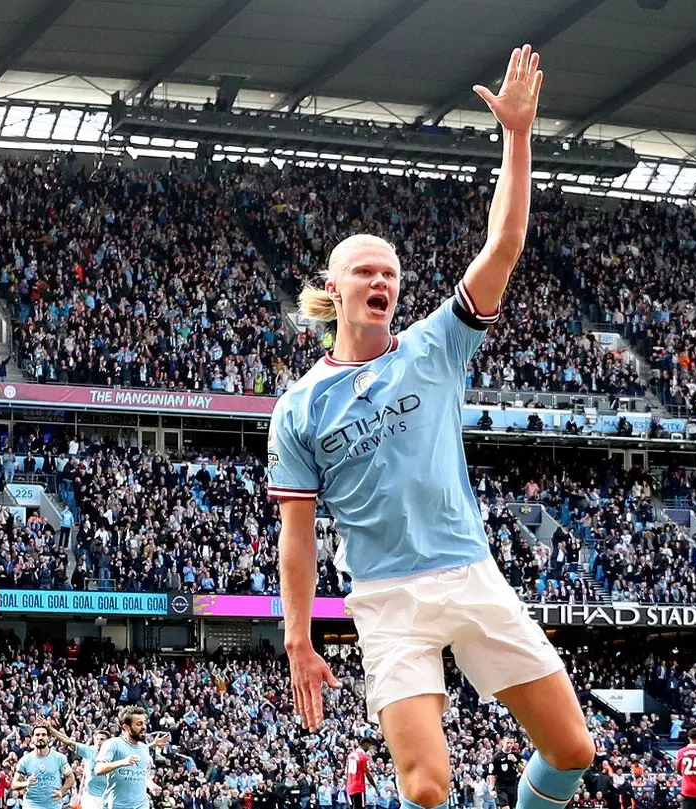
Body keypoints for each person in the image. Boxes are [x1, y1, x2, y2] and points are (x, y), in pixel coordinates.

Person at [271, 44, 594, 809]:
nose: (381, 280)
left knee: (573, 750)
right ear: (334, 288)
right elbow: (296, 533)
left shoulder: (434, 344)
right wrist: (299, 636)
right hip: (386, 598)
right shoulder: (300, 406)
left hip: (469, 573)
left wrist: (517, 137)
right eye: (365, 271)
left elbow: (504, 244)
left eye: (389, 272)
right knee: (424, 788)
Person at [95, 707, 169, 809]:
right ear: (126, 727)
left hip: (142, 805)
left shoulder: (144, 748)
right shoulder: (112, 744)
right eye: (139, 724)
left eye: (144, 723)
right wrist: (122, 762)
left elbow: (139, 773)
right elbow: (98, 769)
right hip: (117, 805)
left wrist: (150, 784)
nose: (144, 727)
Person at [38, 720, 110, 809]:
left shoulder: (112, 754)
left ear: (107, 742)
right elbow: (67, 741)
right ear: (94, 740)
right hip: (91, 797)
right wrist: (50, 728)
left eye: (102, 739)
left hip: (107, 795)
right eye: (97, 739)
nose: (99, 741)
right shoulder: (88, 751)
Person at [13, 726, 75, 809]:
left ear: (48, 738)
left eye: (43, 735)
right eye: (37, 735)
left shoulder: (60, 758)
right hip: (32, 804)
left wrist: (61, 791)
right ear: (32, 738)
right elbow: (14, 784)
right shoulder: (25, 760)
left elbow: (70, 778)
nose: (40, 737)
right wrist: (26, 783)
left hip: (53, 805)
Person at [491, 740, 522, 809]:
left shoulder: (516, 755)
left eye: (511, 743)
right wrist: (492, 789)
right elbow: (491, 774)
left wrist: (515, 761)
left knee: (511, 806)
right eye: (508, 743)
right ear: (503, 743)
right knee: (505, 806)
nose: (509, 745)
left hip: (513, 786)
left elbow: (524, 770)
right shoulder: (496, 756)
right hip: (501, 786)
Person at [347, 739, 374, 809]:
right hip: (358, 787)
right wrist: (375, 787)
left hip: (350, 786)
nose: (368, 748)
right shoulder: (363, 757)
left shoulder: (350, 755)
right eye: (369, 746)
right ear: (365, 744)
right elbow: (367, 774)